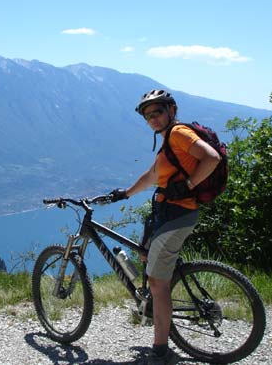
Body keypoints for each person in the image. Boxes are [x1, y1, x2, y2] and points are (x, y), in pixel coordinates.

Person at [109, 89, 221, 365]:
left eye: (157, 112)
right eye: (148, 117)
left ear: (171, 110)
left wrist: (189, 184)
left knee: (158, 284)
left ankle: (160, 351)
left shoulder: (178, 134)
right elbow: (152, 176)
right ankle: (153, 308)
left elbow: (212, 157)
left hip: (177, 216)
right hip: (166, 214)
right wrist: (126, 193)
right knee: (145, 254)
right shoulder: (169, 142)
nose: (153, 119)